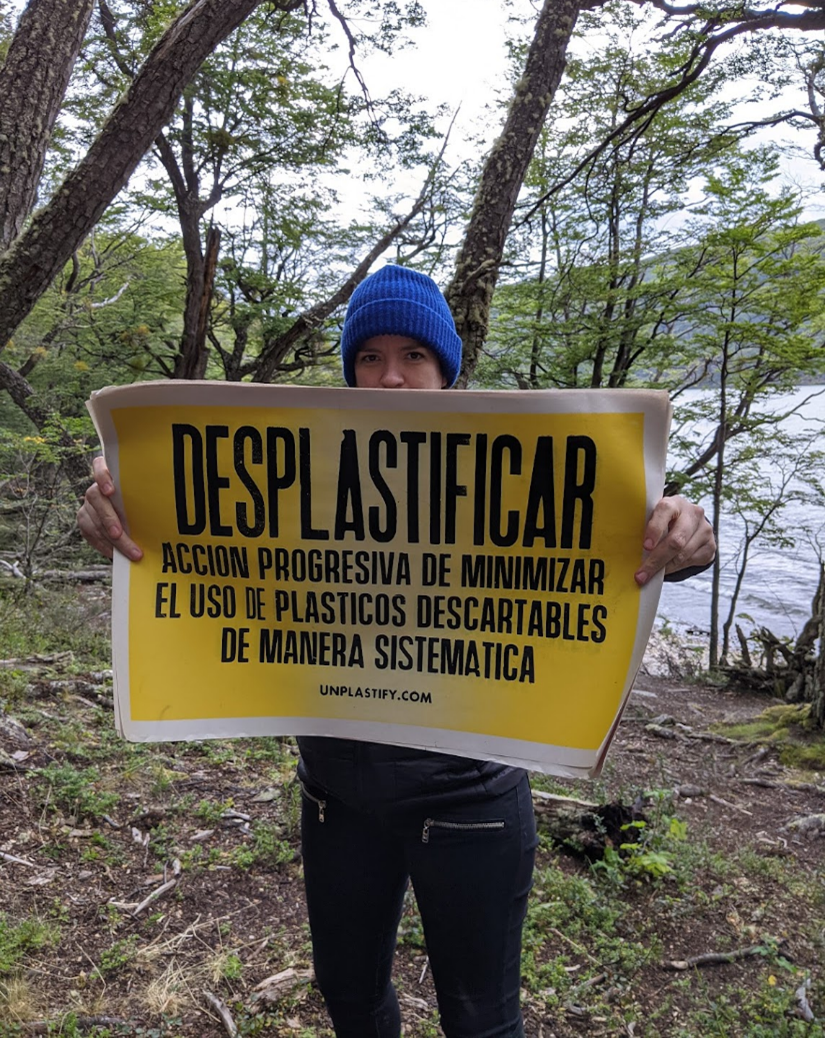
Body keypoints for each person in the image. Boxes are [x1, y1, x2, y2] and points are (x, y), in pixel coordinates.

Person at [78, 265, 715, 1038]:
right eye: (369, 356)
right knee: (349, 999)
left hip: (469, 801)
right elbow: (195, 506)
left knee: (480, 1021)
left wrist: (688, 533)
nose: (390, 377)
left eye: (414, 356)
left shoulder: (509, 466)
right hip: (333, 796)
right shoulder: (303, 469)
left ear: (446, 372)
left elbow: (626, 541)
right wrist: (132, 488)